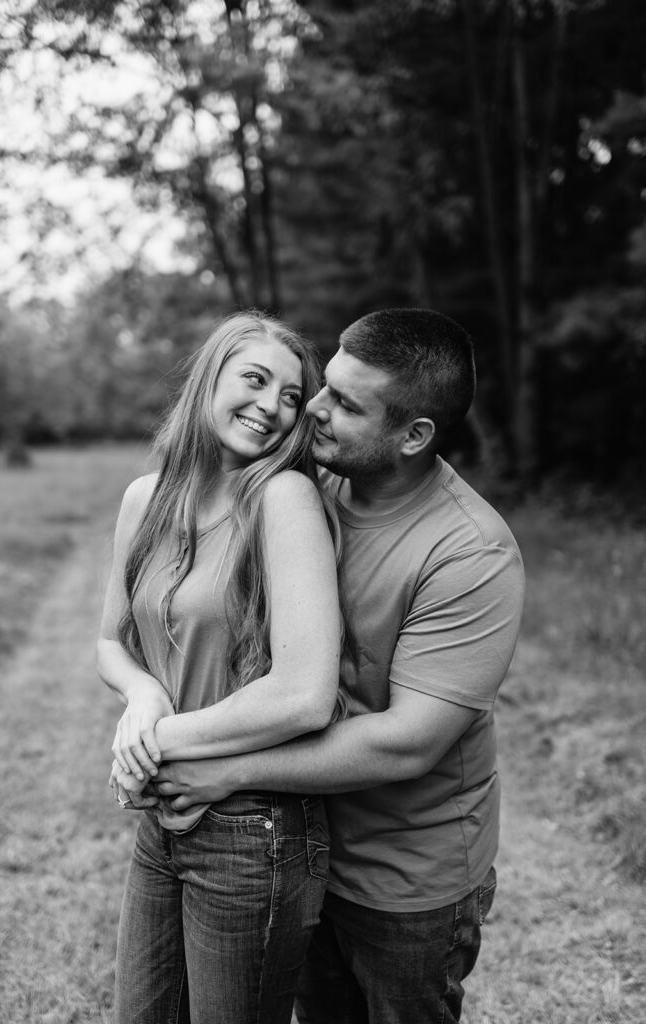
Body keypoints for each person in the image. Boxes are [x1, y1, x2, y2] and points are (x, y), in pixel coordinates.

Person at [130, 308, 526, 1024]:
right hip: (300, 843)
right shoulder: (307, 484)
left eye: (344, 403)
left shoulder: (468, 553)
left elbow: (406, 740)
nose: (311, 408)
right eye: (325, 385)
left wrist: (230, 768)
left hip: (405, 878)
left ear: (413, 436)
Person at [98, 311, 343, 1024]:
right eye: (256, 379)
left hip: (254, 829)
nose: (271, 407)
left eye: (292, 396)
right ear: (209, 378)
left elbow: (304, 696)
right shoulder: (147, 498)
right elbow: (112, 639)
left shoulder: (282, 499)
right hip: (166, 819)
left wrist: (155, 747)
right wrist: (142, 701)